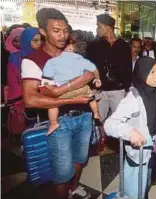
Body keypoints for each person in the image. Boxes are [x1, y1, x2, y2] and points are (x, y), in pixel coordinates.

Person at [22, 8, 96, 199]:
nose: (63, 36)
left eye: (65, 30)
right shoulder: (33, 61)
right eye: (56, 31)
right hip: (59, 121)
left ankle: (74, 187)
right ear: (43, 32)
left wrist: (60, 91)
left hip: (85, 116)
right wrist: (73, 99)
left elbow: (90, 73)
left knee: (81, 158)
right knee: (62, 171)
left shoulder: (71, 53)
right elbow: (30, 100)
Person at [104, 57, 156, 198]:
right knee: (134, 190)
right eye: (152, 72)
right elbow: (109, 124)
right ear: (142, 73)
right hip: (139, 153)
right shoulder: (133, 98)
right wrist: (129, 132)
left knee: (148, 182)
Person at [42, 40, 101, 135]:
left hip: (63, 91)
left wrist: (47, 85)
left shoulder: (53, 61)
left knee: (52, 105)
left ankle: (53, 123)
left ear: (69, 49)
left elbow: (47, 76)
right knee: (91, 97)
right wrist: (98, 79)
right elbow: (94, 69)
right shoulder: (83, 60)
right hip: (82, 89)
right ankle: (96, 113)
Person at [86, 14, 132, 121]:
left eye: (99, 26)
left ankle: (116, 138)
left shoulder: (122, 46)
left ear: (108, 28)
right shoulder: (94, 46)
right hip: (100, 90)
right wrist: (91, 86)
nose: (97, 29)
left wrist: (126, 88)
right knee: (98, 118)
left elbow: (128, 68)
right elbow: (89, 67)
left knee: (120, 118)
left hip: (118, 90)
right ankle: (102, 137)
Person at [5, 27, 41, 134]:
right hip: (24, 98)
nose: (39, 43)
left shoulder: (42, 55)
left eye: (40, 40)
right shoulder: (15, 58)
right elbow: (13, 82)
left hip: (41, 98)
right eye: (35, 40)